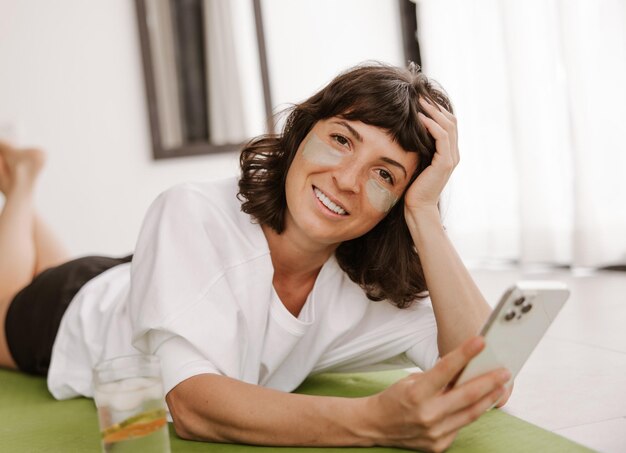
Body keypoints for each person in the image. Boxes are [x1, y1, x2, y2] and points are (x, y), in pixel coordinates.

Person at [0, 63, 512, 452]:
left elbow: (482, 371)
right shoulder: (190, 208)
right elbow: (192, 406)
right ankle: (20, 187)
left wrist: (424, 213)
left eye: (386, 175)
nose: (348, 180)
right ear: (301, 134)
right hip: (75, 307)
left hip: (152, 277)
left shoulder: (363, 280)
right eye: (340, 140)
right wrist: (373, 420)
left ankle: (21, 187)